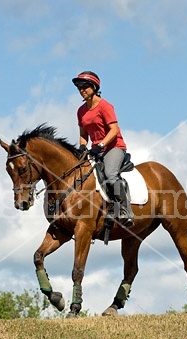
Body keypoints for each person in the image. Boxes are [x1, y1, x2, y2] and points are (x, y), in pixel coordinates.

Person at [72, 71, 134, 227]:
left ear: (94, 87)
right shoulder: (81, 111)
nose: (82, 90)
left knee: (110, 174)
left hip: (114, 146)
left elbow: (114, 130)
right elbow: (83, 134)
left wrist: (100, 145)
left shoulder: (105, 106)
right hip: (95, 150)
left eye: (85, 87)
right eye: (79, 88)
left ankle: (125, 210)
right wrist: (81, 147)